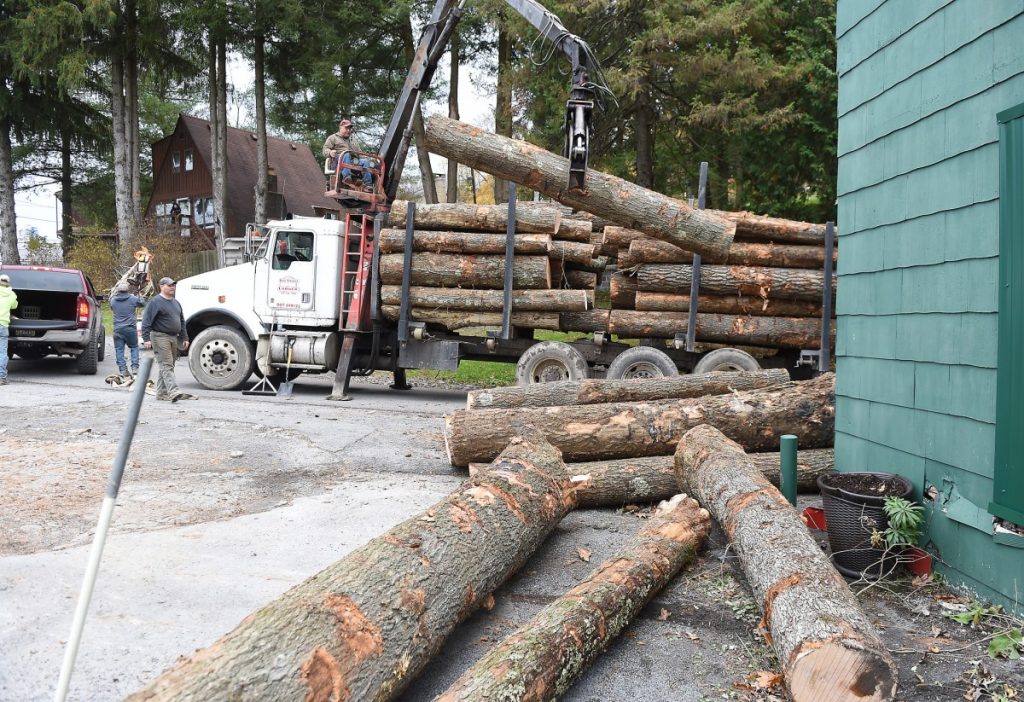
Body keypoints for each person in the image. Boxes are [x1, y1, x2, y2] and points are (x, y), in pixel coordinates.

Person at [141, 277, 192, 401]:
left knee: (168, 365)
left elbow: (182, 321)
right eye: (169, 285)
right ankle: (173, 391)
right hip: (159, 336)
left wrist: (185, 337)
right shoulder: (155, 302)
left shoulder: (176, 302)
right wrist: (146, 338)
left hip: (174, 337)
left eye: (173, 285)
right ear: (161, 286)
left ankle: (161, 393)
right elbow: (146, 321)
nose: (172, 287)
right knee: (167, 363)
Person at [322, 118, 373, 190]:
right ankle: (346, 178)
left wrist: (368, 158)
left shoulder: (353, 141)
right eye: (346, 128)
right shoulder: (333, 138)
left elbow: (360, 153)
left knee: (365, 162)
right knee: (346, 154)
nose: (348, 130)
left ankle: (368, 185)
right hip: (338, 162)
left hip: (352, 163)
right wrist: (330, 152)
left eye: (349, 129)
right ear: (340, 127)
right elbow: (325, 150)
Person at [109, 281, 145, 378]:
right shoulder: (133, 299)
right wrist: (140, 295)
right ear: (127, 290)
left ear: (118, 290)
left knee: (119, 349)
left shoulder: (113, 300)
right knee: (134, 347)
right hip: (130, 328)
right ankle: (135, 368)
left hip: (118, 328)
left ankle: (123, 369)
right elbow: (142, 304)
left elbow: (111, 307)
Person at [0, 273, 18, 386]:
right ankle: (1, 377)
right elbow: (15, 306)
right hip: (3, 326)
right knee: (2, 352)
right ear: (8, 283)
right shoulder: (11, 294)